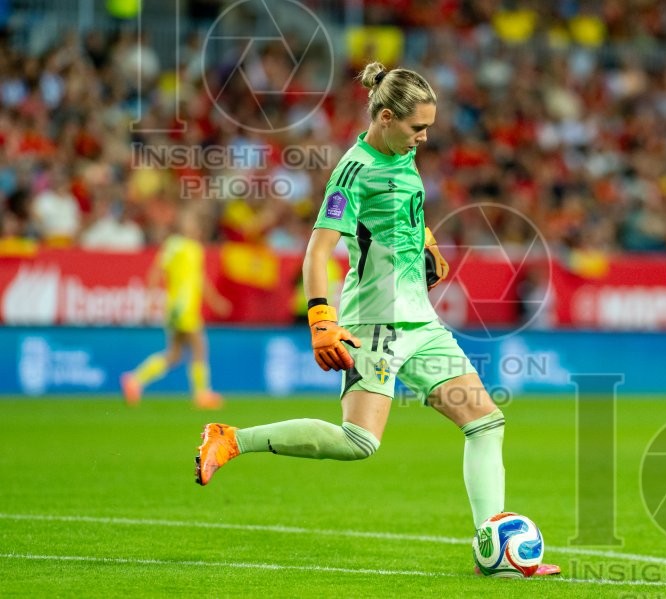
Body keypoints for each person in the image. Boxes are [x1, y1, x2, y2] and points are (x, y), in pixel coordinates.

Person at [194, 61, 560, 576]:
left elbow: (401, 216)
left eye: (428, 127)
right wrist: (322, 317)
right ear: (386, 117)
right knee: (359, 442)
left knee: (486, 422)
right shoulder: (354, 169)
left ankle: (493, 550)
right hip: (376, 324)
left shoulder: (402, 155)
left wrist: (424, 242)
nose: (424, 138)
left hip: (422, 324)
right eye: (417, 128)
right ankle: (231, 438)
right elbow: (317, 251)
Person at [121, 207, 231, 409]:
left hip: (186, 307)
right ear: (182, 225)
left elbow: (200, 279)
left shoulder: (195, 249)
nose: (194, 227)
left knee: (175, 354)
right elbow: (157, 270)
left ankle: (135, 380)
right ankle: (201, 394)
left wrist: (215, 300)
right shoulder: (175, 245)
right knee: (199, 346)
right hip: (181, 307)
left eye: (197, 224)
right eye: (190, 222)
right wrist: (150, 299)